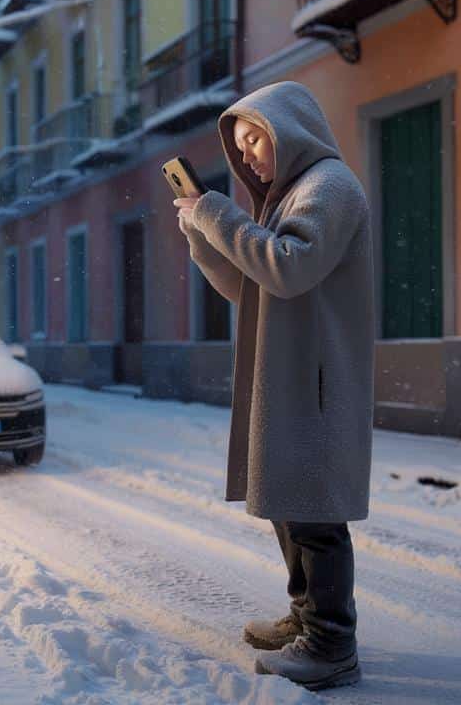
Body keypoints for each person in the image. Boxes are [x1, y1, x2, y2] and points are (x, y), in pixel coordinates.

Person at [173, 81, 374, 691]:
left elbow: (287, 268)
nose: (250, 156)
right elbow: (251, 287)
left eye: (255, 138)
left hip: (316, 380)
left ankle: (333, 643)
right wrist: (202, 238)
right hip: (290, 376)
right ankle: (307, 617)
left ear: (291, 128)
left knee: (316, 514)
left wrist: (218, 216)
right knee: (290, 505)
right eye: (241, 147)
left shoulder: (329, 186)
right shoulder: (286, 197)